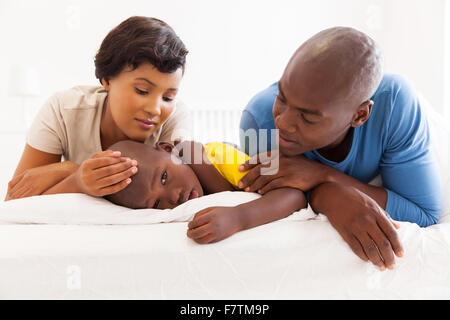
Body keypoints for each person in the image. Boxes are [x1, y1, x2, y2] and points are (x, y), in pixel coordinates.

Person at [238, 27, 442, 271]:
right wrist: (323, 195)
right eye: (282, 98)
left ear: (360, 115)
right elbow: (272, 199)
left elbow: (424, 213)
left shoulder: (396, 105)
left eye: (307, 118)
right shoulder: (260, 122)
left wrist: (323, 177)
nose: (283, 122)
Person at [5, 16, 191, 200]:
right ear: (107, 79)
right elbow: (14, 202)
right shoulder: (64, 110)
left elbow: (190, 195)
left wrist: (71, 176)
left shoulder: (174, 120)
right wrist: (76, 177)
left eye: (168, 97)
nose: (155, 110)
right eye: (142, 91)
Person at [104, 140, 307, 244]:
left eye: (164, 177)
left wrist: (238, 217)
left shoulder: (217, 157)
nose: (173, 197)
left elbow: (294, 195)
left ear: (167, 149)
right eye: (156, 204)